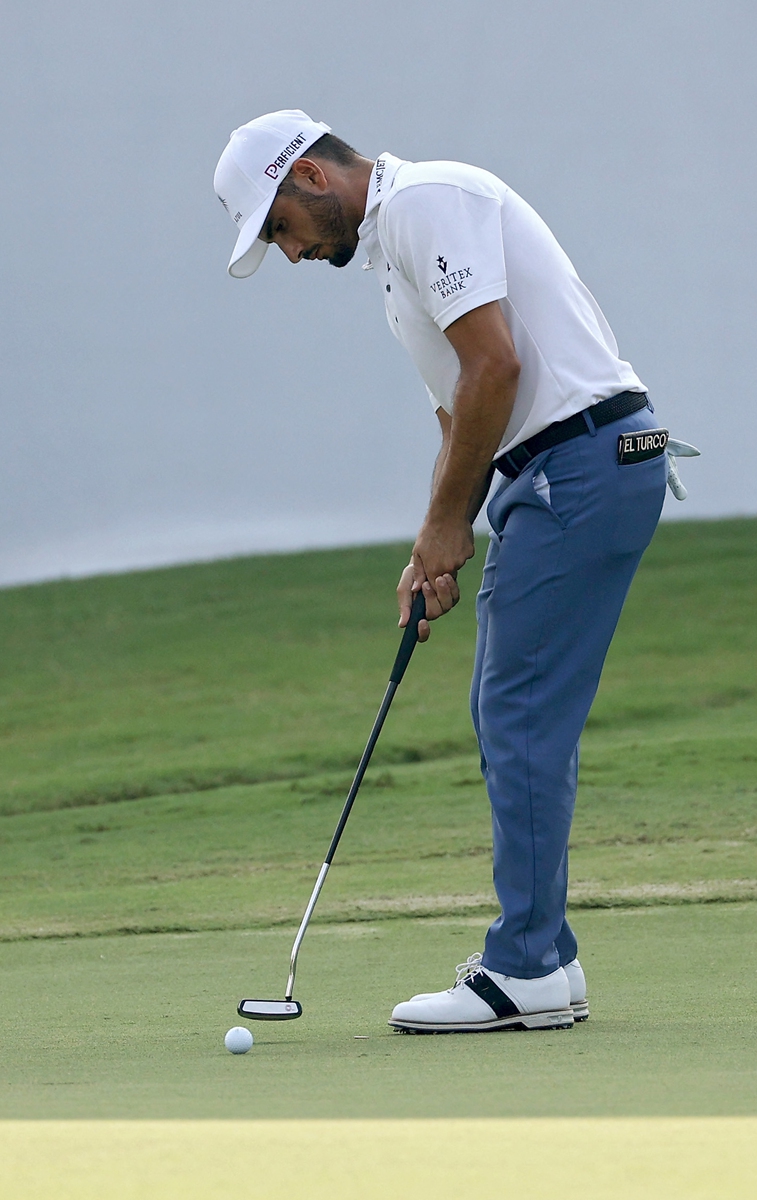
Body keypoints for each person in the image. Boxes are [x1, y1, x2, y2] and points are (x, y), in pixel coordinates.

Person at [213, 110, 668, 1033]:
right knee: (519, 713)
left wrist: (449, 523)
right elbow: (463, 416)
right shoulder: (396, 256)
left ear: (307, 177)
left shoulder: (426, 202)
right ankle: (552, 958)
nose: (288, 254)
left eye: (278, 229)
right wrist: (435, 545)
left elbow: (495, 369)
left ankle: (528, 966)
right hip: (567, 471)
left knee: (518, 713)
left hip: (578, 464)